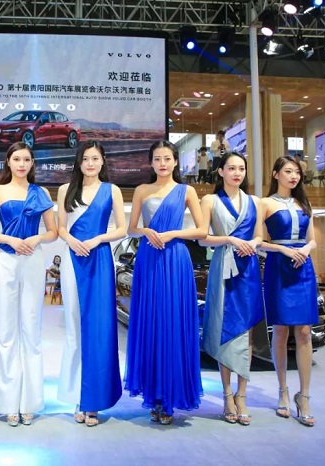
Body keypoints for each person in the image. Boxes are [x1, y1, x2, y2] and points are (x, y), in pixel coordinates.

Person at [124, 140, 207, 425]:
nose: (162, 163)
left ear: (175, 162)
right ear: (151, 162)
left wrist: (173, 234)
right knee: (152, 322)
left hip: (175, 259)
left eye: (167, 158)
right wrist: (146, 230)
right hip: (149, 259)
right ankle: (155, 395)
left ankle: (170, 398)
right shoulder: (142, 190)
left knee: (173, 323)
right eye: (157, 159)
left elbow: (202, 230)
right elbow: (131, 229)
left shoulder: (187, 191)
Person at [0, 142, 58, 427]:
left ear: (32, 163)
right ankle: (8, 402)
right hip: (5, 259)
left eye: (26, 159)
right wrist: (9, 240)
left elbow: (53, 231)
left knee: (31, 328)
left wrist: (36, 239)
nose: (22, 164)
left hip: (33, 258)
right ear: (8, 162)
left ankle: (30, 402)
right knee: (5, 329)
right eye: (17, 159)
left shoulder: (41, 192)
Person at [56, 140, 127, 427]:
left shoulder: (112, 190)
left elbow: (122, 228)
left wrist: (98, 239)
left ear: (102, 161)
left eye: (95, 158)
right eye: (85, 158)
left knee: (99, 328)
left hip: (100, 260)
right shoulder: (65, 189)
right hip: (73, 260)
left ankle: (94, 400)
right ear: (79, 161)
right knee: (74, 328)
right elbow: (61, 227)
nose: (90, 163)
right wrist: (71, 240)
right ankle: (78, 396)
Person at [199, 152, 264, 426]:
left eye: (241, 168)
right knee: (224, 329)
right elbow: (202, 238)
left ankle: (242, 395)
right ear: (221, 171)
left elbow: (259, 235)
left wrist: (253, 243)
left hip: (248, 267)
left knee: (245, 330)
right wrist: (230, 239)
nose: (237, 173)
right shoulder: (210, 201)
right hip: (223, 267)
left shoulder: (255, 201)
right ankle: (227, 394)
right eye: (232, 168)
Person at [260, 155, 318, 427]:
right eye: (288, 171)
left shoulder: (304, 203)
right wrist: (283, 249)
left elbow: (312, 240)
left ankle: (303, 396)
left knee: (304, 331)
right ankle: (283, 390)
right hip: (279, 267)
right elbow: (258, 241)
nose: (293, 176)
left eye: (296, 172)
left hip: (303, 267)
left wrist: (305, 250)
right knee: (281, 330)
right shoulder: (265, 203)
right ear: (276, 174)